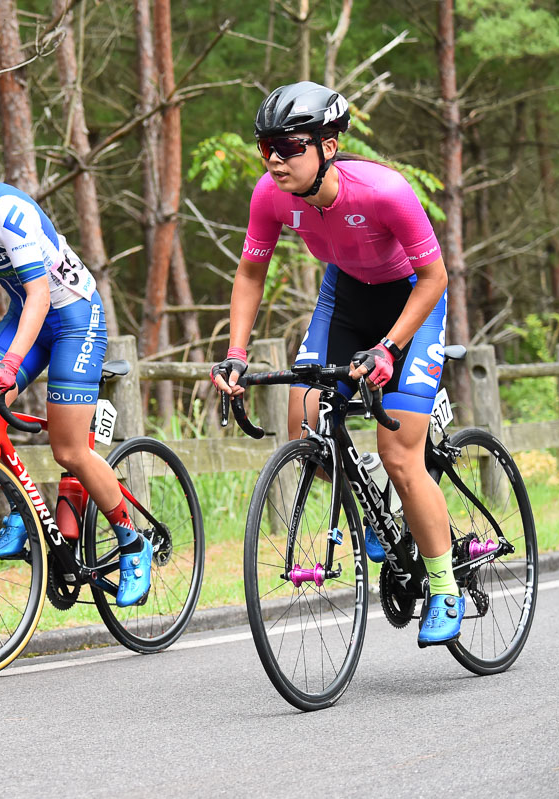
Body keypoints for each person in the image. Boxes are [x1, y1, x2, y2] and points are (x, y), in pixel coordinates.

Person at [210, 81, 459, 645]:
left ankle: (444, 586)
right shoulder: (269, 197)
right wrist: (235, 354)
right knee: (306, 419)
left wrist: (391, 347)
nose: (275, 160)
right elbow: (251, 274)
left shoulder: (385, 192)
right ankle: (373, 502)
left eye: (290, 146)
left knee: (400, 453)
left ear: (328, 144)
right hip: (344, 297)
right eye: (265, 147)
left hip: (411, 302)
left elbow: (436, 277)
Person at [0, 120, 150, 606]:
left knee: (70, 450)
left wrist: (11, 365)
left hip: (74, 315)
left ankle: (132, 542)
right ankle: (19, 505)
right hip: (26, 317)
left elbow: (40, 295)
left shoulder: (8, 212)